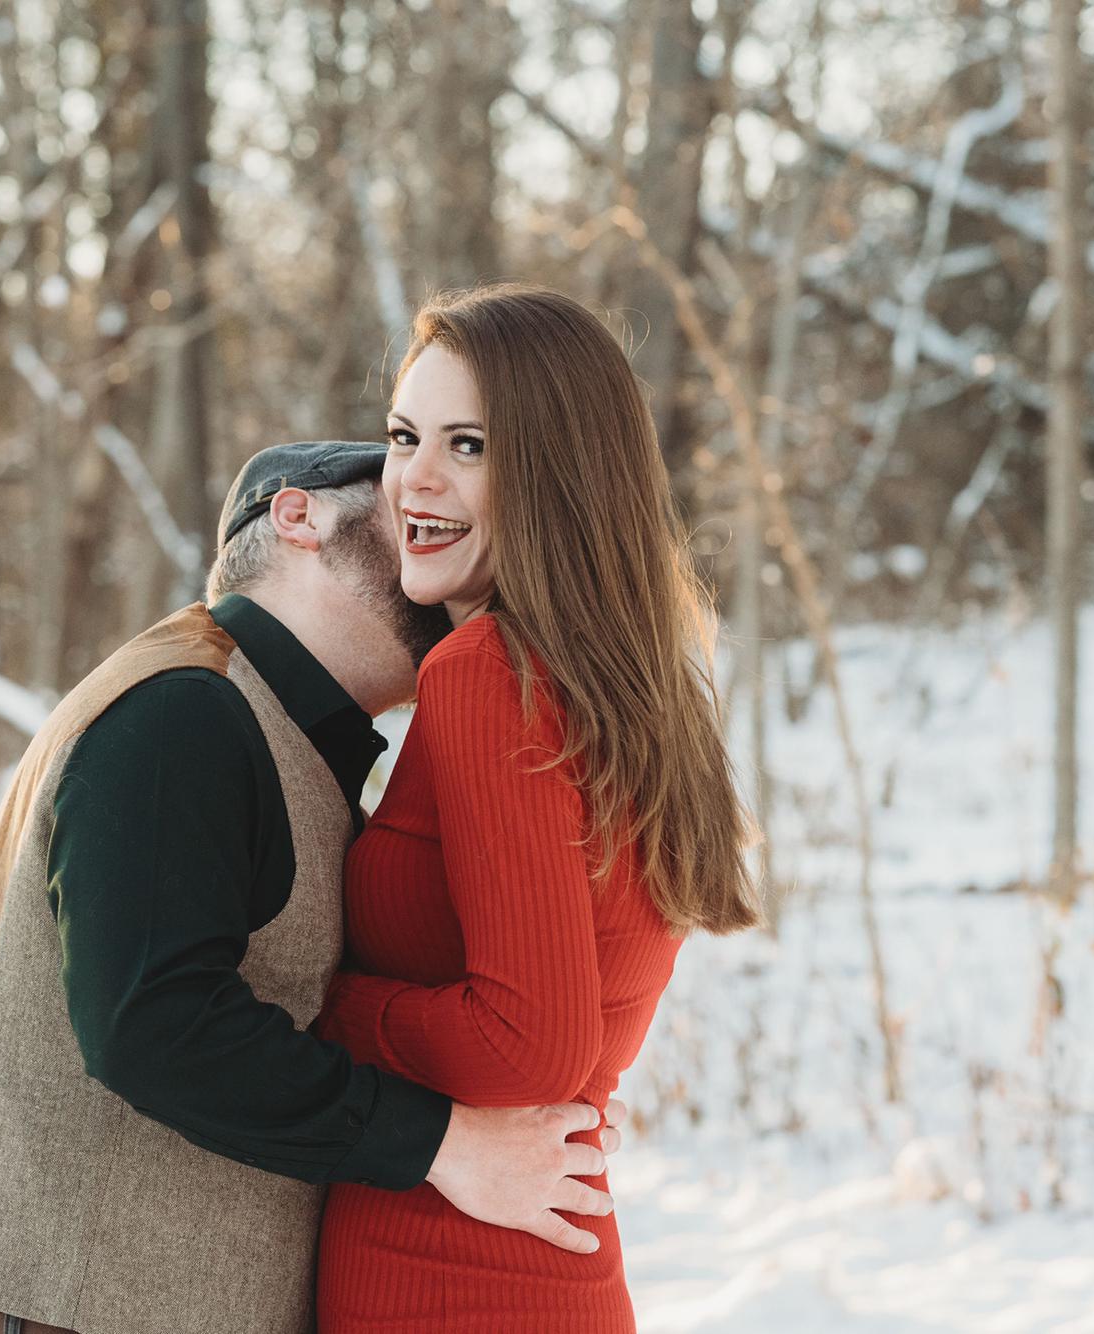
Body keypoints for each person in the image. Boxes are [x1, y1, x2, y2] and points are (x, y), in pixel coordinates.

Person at [0, 441, 624, 1334]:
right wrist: (443, 1145)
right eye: (400, 508)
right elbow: (153, 1025)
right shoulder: (183, 709)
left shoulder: (285, 736)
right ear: (298, 516)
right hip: (56, 1296)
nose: (435, 546)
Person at [313, 284, 765, 1331]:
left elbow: (533, 1043)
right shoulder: (629, 682)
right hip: (529, 1260)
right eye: (402, 435)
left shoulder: (485, 674)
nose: (412, 479)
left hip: (448, 1272)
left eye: (467, 445)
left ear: (555, 473)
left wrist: (326, 1007)